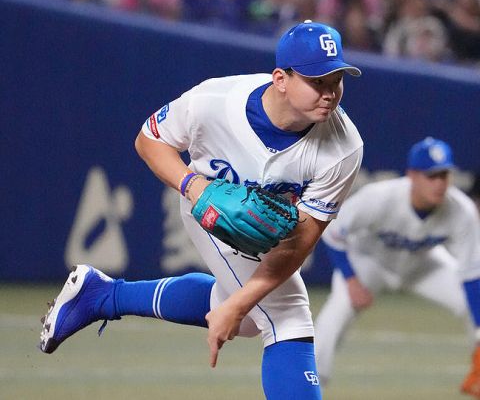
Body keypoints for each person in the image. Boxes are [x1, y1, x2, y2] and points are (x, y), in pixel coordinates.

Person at [39, 20, 364, 399]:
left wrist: (238, 305)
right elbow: (149, 140)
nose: (329, 93)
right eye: (317, 81)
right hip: (206, 209)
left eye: (336, 79)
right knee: (287, 315)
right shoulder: (215, 101)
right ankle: (104, 296)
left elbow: (299, 244)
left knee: (244, 315)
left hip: (270, 232)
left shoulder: (344, 148)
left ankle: (102, 295)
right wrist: (193, 186)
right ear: (281, 78)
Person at [314, 137, 480, 398]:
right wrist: (351, 280)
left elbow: (471, 273)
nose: (439, 183)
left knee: (472, 305)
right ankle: (310, 388)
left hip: (423, 264)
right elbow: (333, 232)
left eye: (444, 175)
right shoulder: (380, 197)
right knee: (336, 312)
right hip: (369, 262)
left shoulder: (461, 210)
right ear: (412, 175)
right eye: (431, 175)